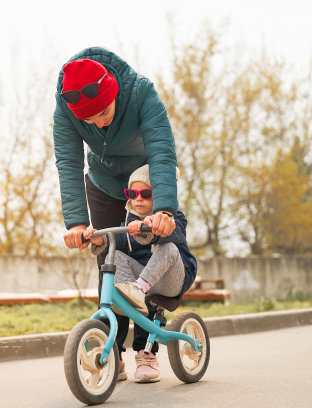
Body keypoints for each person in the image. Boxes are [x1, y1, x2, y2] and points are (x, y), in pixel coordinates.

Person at [53, 47, 180, 381]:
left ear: (114, 92)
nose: (98, 123)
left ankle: (147, 348)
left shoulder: (141, 92)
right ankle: (114, 355)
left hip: (144, 183)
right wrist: (76, 222)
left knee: (148, 260)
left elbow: (162, 151)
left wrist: (164, 208)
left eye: (103, 113)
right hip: (103, 185)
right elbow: (68, 160)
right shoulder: (65, 106)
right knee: (109, 261)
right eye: (89, 120)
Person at [83, 164, 197, 382]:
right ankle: (113, 354)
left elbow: (176, 237)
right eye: (132, 194)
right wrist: (100, 240)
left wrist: (153, 227)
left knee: (168, 247)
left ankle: (147, 354)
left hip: (172, 276)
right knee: (114, 258)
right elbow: (118, 245)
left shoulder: (172, 216)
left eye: (146, 193)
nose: (138, 199)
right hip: (143, 281)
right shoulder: (128, 221)